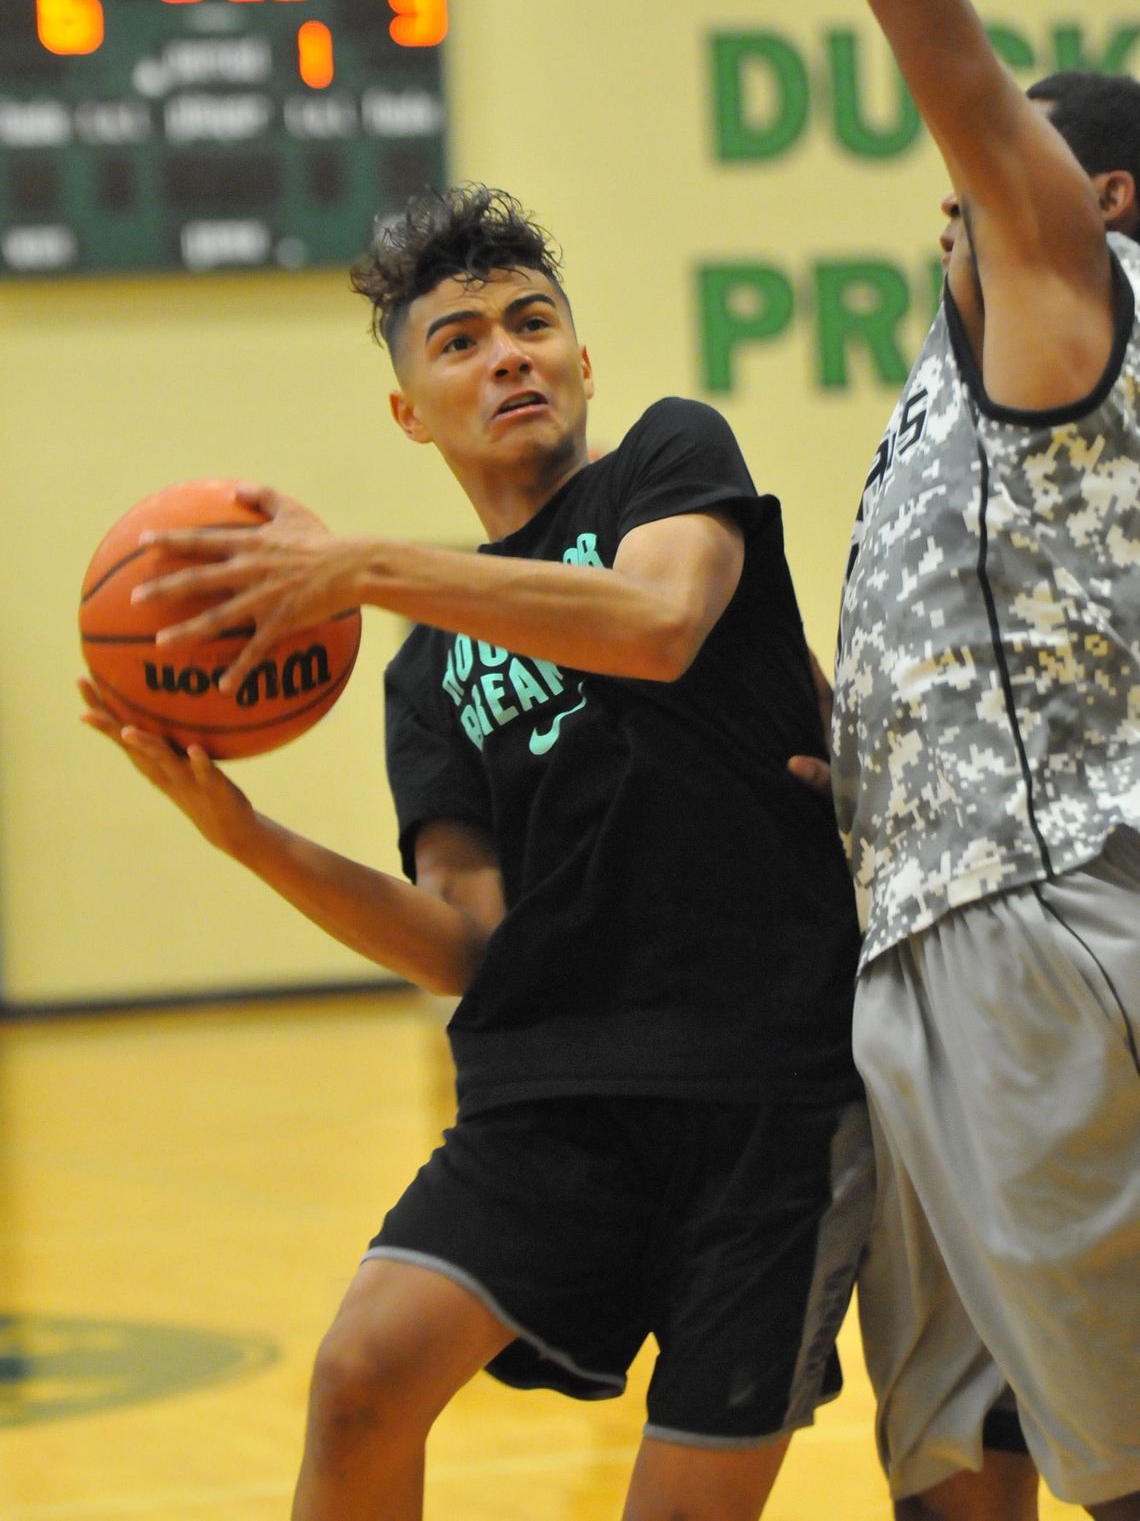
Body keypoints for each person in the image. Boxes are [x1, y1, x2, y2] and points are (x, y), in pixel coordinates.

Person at [81, 183, 873, 1521]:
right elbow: (464, 942)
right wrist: (246, 836)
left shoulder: (670, 466)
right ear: (410, 409)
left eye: (533, 323)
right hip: (552, 1089)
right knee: (362, 1377)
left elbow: (658, 622)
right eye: (458, 340)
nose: (507, 354)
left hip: (769, 1088)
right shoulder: (429, 667)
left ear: (581, 357)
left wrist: (370, 564)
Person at [794, 0, 1140, 1520]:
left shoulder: (1071, 285)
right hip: (918, 921)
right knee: (955, 1448)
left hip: (1043, 921)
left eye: (994, 153)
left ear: (1100, 196)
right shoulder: (956, 377)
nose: (958, 182)